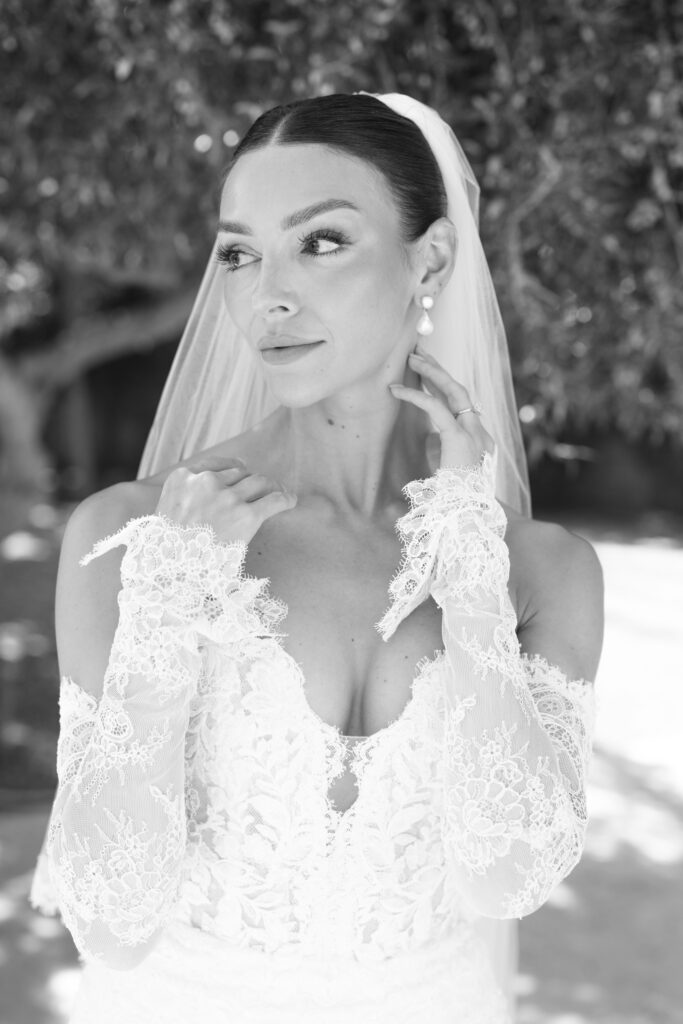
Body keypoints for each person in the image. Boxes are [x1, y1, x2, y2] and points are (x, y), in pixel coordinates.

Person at [29, 92, 603, 1023]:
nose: (269, 293)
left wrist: (466, 571)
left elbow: (506, 881)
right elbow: (110, 920)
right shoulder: (132, 536)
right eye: (240, 253)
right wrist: (167, 615)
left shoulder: (541, 568)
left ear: (433, 257)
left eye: (322, 240)